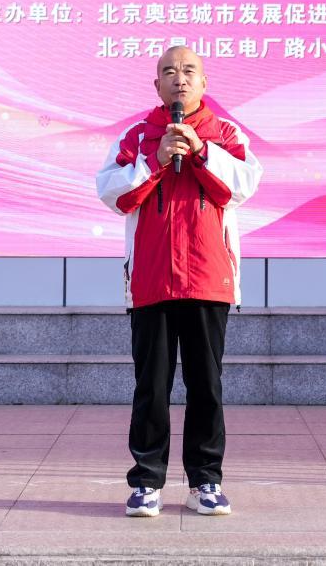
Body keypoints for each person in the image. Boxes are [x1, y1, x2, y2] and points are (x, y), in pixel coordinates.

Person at [95, 46, 263, 518]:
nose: (180, 79)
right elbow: (112, 193)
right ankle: (147, 483)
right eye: (169, 71)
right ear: (157, 85)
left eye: (189, 71)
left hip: (209, 278)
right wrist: (155, 159)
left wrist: (202, 152)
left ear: (204, 83)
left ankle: (205, 481)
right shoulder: (137, 136)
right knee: (151, 387)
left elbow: (243, 186)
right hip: (151, 280)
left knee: (206, 386)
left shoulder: (225, 133)